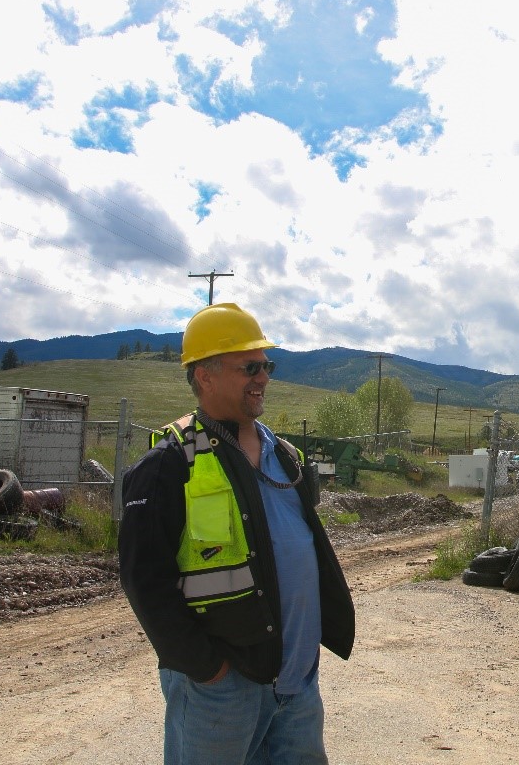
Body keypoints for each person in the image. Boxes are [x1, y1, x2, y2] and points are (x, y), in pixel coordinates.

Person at [119, 302, 355, 765]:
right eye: (250, 366)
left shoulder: (282, 453)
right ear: (205, 375)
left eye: (266, 365)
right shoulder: (168, 462)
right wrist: (208, 670)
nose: (263, 376)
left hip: (297, 684)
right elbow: (143, 581)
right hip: (222, 689)